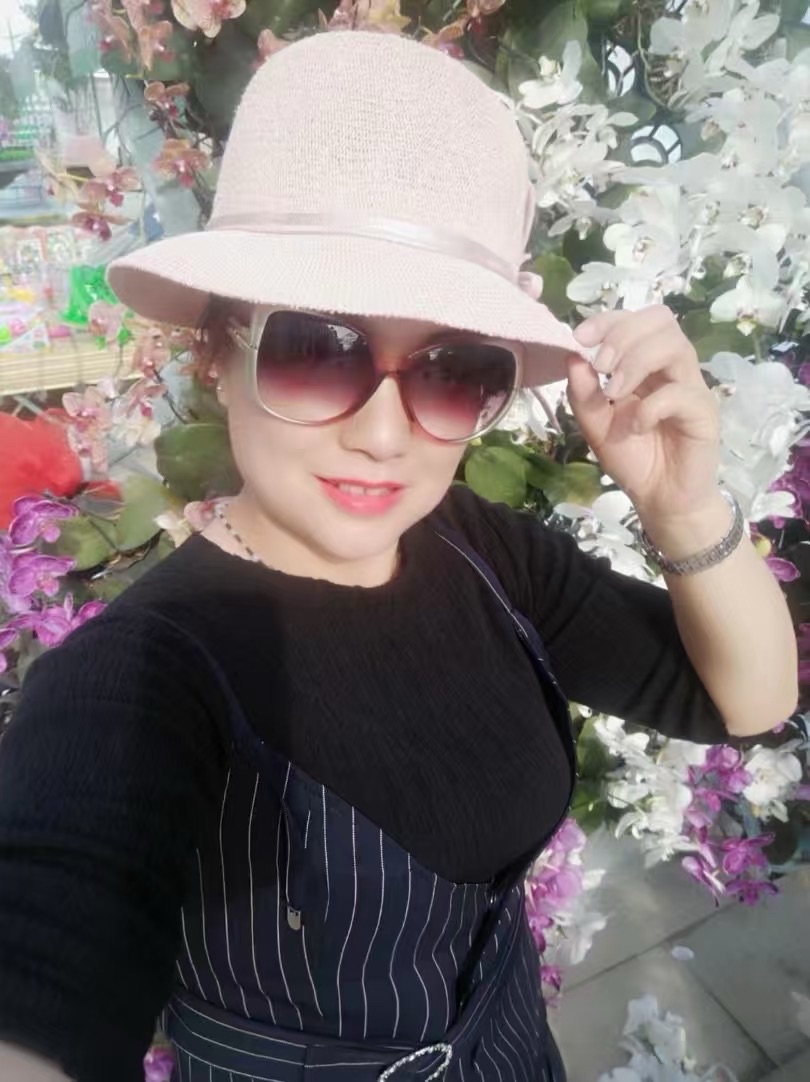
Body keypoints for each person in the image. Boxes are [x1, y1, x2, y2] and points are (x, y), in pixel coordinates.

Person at [0, 30, 797, 1082]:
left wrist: (682, 507)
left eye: (451, 371)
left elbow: (743, 700)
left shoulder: (482, 550)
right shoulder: (143, 678)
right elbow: (50, 935)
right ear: (218, 356)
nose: (384, 434)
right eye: (315, 350)